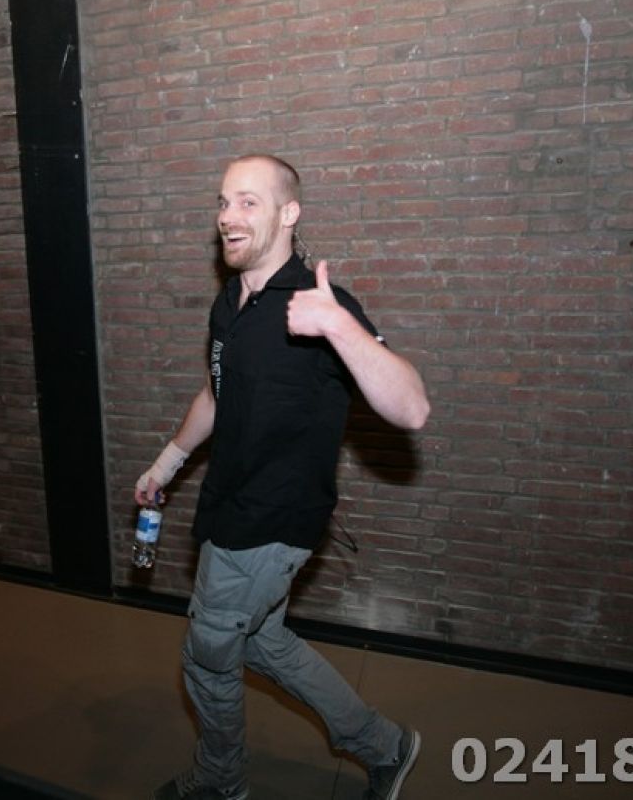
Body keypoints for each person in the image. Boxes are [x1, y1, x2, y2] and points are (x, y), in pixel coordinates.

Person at [136, 155, 431, 800]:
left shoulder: (320, 305)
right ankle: (386, 745)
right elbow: (216, 394)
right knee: (263, 643)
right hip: (228, 503)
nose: (228, 216)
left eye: (248, 201)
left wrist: (339, 326)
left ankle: (220, 784)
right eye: (223, 202)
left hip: (272, 519)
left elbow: (411, 407)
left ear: (288, 213)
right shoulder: (230, 303)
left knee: (208, 655)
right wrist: (167, 463)